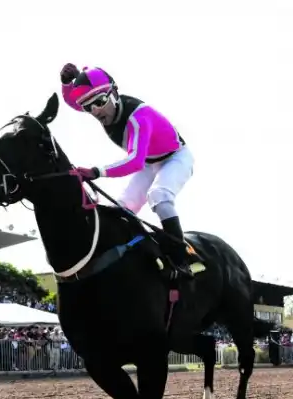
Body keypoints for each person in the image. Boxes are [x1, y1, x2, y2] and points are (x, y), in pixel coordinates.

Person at [59, 63, 195, 277]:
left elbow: (135, 162)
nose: (95, 111)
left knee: (159, 195)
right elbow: (73, 102)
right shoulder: (103, 105)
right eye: (88, 107)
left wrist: (97, 171)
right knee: (122, 208)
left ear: (114, 93)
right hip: (151, 162)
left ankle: (182, 259)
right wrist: (67, 84)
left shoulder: (138, 118)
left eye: (100, 102)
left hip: (176, 158)